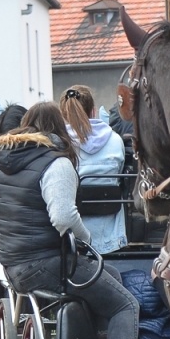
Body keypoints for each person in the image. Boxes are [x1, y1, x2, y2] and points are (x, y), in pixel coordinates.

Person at [0, 102, 150, 339]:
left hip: (15, 266)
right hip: (48, 263)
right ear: (59, 131)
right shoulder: (55, 163)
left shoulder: (6, 163)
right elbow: (63, 217)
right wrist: (86, 238)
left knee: (112, 275)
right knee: (126, 304)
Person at [59, 85, 127, 255]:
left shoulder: (59, 144)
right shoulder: (115, 140)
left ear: (63, 114)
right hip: (111, 238)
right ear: (94, 111)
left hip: (72, 241)